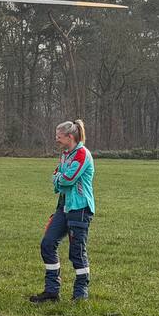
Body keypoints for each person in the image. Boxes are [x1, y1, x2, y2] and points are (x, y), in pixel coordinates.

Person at [31, 119, 95, 303]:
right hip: (64, 207)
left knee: (77, 251)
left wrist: (58, 178)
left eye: (58, 136)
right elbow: (57, 174)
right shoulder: (66, 155)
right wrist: (59, 177)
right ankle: (52, 291)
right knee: (47, 244)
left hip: (80, 208)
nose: (56, 139)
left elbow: (67, 179)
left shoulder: (82, 154)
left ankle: (80, 294)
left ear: (69, 136)